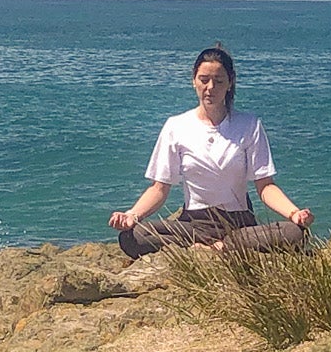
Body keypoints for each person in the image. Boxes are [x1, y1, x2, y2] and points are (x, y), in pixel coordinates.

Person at [108, 45, 315, 258]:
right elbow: (159, 188)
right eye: (204, 79)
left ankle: (221, 248)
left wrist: (294, 213)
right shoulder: (176, 126)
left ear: (230, 83)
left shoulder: (249, 125)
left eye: (218, 81)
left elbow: (265, 186)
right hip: (194, 224)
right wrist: (132, 215)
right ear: (194, 80)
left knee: (295, 233)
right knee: (131, 237)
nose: (210, 87)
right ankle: (206, 247)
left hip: (240, 226)